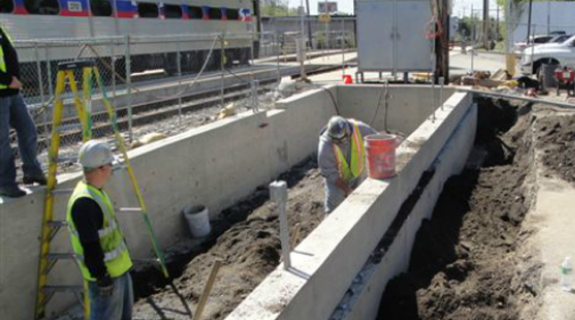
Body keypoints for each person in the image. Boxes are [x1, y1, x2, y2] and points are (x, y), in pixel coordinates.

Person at [66, 140, 133, 320]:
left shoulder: (95, 192)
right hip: (107, 279)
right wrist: (101, 277)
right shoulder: (84, 202)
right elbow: (90, 245)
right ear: (102, 168)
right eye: (110, 165)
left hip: (119, 271)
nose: (112, 169)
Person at [0, 25, 46, 198]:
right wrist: (6, 79)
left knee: (28, 130)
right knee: (2, 141)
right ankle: (5, 183)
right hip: (3, 90)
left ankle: (32, 171)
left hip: (12, 93)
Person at [318, 116, 377, 214]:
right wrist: (347, 190)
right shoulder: (325, 146)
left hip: (358, 172)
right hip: (338, 178)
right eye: (337, 142)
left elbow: (377, 139)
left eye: (342, 140)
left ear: (348, 132)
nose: (341, 143)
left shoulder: (360, 128)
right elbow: (330, 174)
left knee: (360, 201)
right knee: (335, 201)